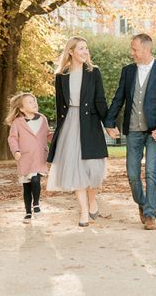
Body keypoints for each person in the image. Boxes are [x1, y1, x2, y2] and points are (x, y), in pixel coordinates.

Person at [105, 33, 156, 230]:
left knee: (152, 171)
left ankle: (150, 214)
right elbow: (119, 98)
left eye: (134, 49)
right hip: (133, 130)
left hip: (155, 132)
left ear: (146, 49)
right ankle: (143, 204)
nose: (132, 53)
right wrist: (109, 122)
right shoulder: (127, 71)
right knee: (133, 174)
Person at [47, 36, 109, 227]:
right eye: (81, 48)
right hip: (70, 125)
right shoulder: (61, 76)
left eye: (86, 48)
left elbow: (100, 100)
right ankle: (83, 212)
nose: (85, 52)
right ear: (71, 51)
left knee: (92, 169)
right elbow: (60, 107)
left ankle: (92, 200)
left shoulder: (94, 72)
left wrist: (109, 123)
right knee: (75, 169)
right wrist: (58, 132)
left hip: (90, 124)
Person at [6, 92, 51, 222]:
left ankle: (36, 204)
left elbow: (47, 135)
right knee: (27, 187)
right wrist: (16, 151)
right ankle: (27, 212)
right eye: (30, 102)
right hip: (25, 158)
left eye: (34, 101)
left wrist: (57, 136)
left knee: (36, 179)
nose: (34, 104)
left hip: (39, 156)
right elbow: (13, 138)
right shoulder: (18, 122)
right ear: (21, 108)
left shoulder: (42, 118)